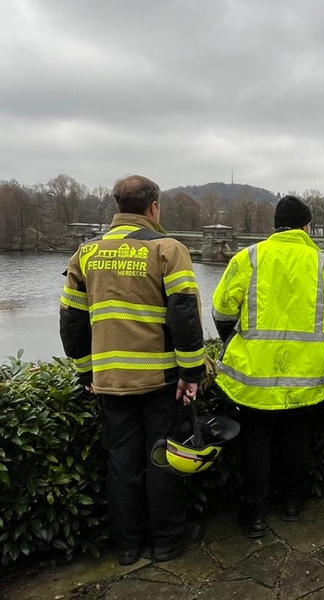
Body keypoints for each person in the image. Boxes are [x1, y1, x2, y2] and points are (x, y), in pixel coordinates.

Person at [59, 175, 205, 566]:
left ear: (118, 206)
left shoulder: (86, 253)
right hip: (160, 379)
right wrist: (192, 373)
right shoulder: (167, 249)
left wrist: (86, 372)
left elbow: (72, 320)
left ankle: (127, 546)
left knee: (121, 463)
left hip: (110, 380)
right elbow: (184, 315)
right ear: (153, 206)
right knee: (162, 458)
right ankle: (168, 541)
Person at [211, 195, 324, 537]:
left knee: (256, 441)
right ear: (306, 226)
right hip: (307, 374)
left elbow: (222, 311)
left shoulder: (248, 258)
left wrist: (233, 340)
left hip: (254, 373)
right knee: (297, 437)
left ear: (275, 225)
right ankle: (292, 504)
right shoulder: (323, 264)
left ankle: (254, 516)